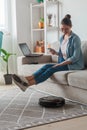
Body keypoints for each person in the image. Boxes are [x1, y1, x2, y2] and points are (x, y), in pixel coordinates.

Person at [12, 14, 84, 91]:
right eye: (62, 29)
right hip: (63, 61)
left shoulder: (75, 39)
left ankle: (28, 84)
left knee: (51, 69)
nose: (63, 31)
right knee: (46, 66)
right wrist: (56, 53)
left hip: (73, 64)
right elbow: (64, 54)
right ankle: (26, 79)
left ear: (71, 27)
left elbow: (75, 57)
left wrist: (60, 64)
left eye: (66, 29)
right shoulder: (62, 38)